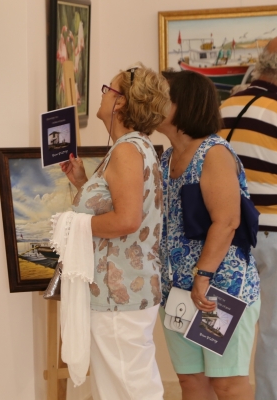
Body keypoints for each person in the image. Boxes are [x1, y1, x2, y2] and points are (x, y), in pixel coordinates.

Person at [61, 64, 170, 400]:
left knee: (130, 390)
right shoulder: (135, 147)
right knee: (120, 389)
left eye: (108, 89)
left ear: (121, 101)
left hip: (119, 293)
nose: (104, 94)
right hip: (122, 292)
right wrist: (82, 182)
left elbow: (127, 220)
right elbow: (121, 207)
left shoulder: (126, 150)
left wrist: (72, 226)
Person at [157, 70, 260, 400]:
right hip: (177, 291)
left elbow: (226, 221)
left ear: (183, 104)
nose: (153, 103)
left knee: (227, 384)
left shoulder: (213, 153)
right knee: (191, 381)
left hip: (217, 290)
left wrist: (202, 276)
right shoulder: (166, 157)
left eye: (162, 97)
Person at [218, 37, 277, 400]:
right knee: (272, 331)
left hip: (225, 235)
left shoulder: (225, 107)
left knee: (221, 330)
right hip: (272, 233)